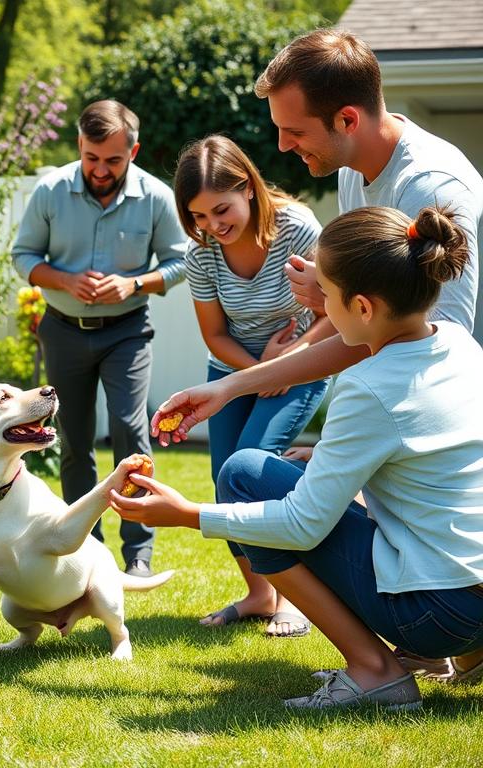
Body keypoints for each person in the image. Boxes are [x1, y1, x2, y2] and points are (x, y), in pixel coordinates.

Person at [156, 29, 483, 677]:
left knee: (253, 482)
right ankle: (462, 643)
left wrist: (183, 514)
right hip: (446, 502)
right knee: (289, 470)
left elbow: (410, 351)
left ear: (348, 118)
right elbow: (373, 331)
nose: (279, 146)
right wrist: (228, 388)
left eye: (292, 129)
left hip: (442, 482)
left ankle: (382, 667)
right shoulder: (362, 176)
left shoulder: (431, 187)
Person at [115, 205, 483, 710]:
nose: (322, 312)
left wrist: (186, 516)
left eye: (326, 297)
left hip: (437, 616)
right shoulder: (460, 344)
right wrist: (321, 448)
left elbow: (301, 525)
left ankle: (375, 672)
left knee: (245, 474)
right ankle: (472, 655)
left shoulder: (367, 387)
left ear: (363, 307)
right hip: (473, 602)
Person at [10, 99, 186, 577]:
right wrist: (64, 280)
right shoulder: (50, 190)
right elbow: (23, 255)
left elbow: (180, 260)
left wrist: (135, 283)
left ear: (134, 150)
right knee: (74, 439)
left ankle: (139, 553)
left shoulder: (155, 196)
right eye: (91, 158)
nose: (100, 169)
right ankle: (86, 547)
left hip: (127, 331)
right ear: (80, 147)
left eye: (113, 160)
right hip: (62, 329)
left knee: (130, 430)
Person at [173, 135, 334, 636]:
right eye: (199, 217)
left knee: (254, 464)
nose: (212, 226)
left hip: (303, 364)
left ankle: (296, 601)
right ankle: (261, 594)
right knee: (226, 478)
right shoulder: (201, 253)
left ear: (247, 187)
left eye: (221, 210)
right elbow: (214, 334)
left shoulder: (298, 230)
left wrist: (286, 359)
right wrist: (251, 374)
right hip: (231, 370)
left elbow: (336, 310)